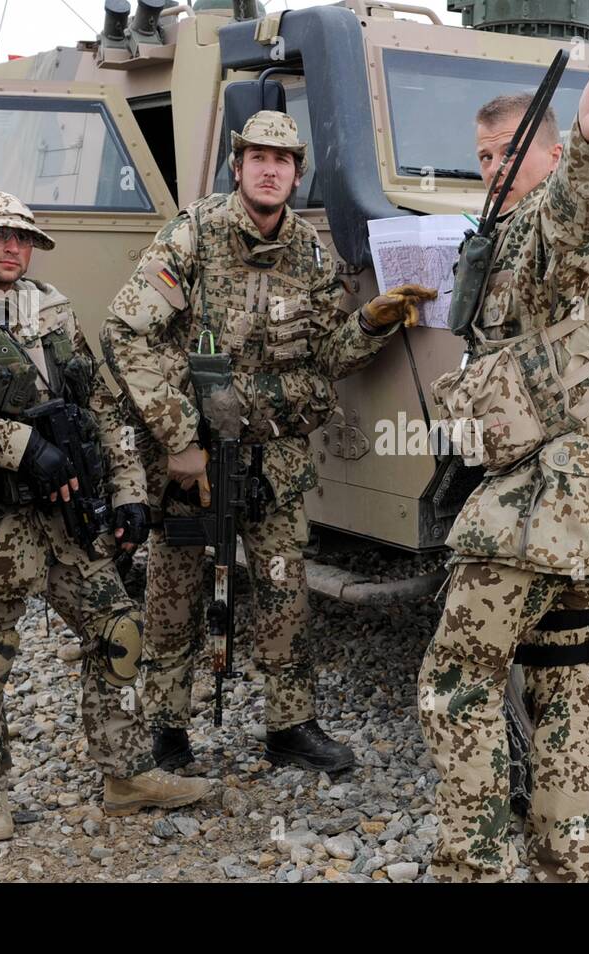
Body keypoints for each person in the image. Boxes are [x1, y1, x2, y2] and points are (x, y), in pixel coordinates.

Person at [102, 110, 434, 773]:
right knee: (175, 593)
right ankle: (166, 731)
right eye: (257, 157)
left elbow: (326, 357)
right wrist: (178, 441)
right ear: (237, 165)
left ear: (296, 173)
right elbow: (126, 332)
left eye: (282, 161)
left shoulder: (310, 252)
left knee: (285, 590)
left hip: (273, 463)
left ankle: (291, 726)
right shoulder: (193, 236)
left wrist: (372, 321)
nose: (269, 169)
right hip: (194, 463)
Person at [418, 35, 589, 882]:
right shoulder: (514, 229)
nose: (493, 167)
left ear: (552, 153)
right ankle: (565, 864)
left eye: (511, 152)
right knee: (562, 681)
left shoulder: (557, 224)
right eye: (484, 155)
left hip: (540, 502)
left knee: (456, 681)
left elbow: (577, 213)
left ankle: (474, 867)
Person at [0, 190, 211, 842]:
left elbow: (100, 409)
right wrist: (19, 446)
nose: (14, 248)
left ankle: (125, 773)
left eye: (24, 237)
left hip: (64, 519)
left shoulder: (51, 309)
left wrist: (126, 493)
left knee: (120, 631)